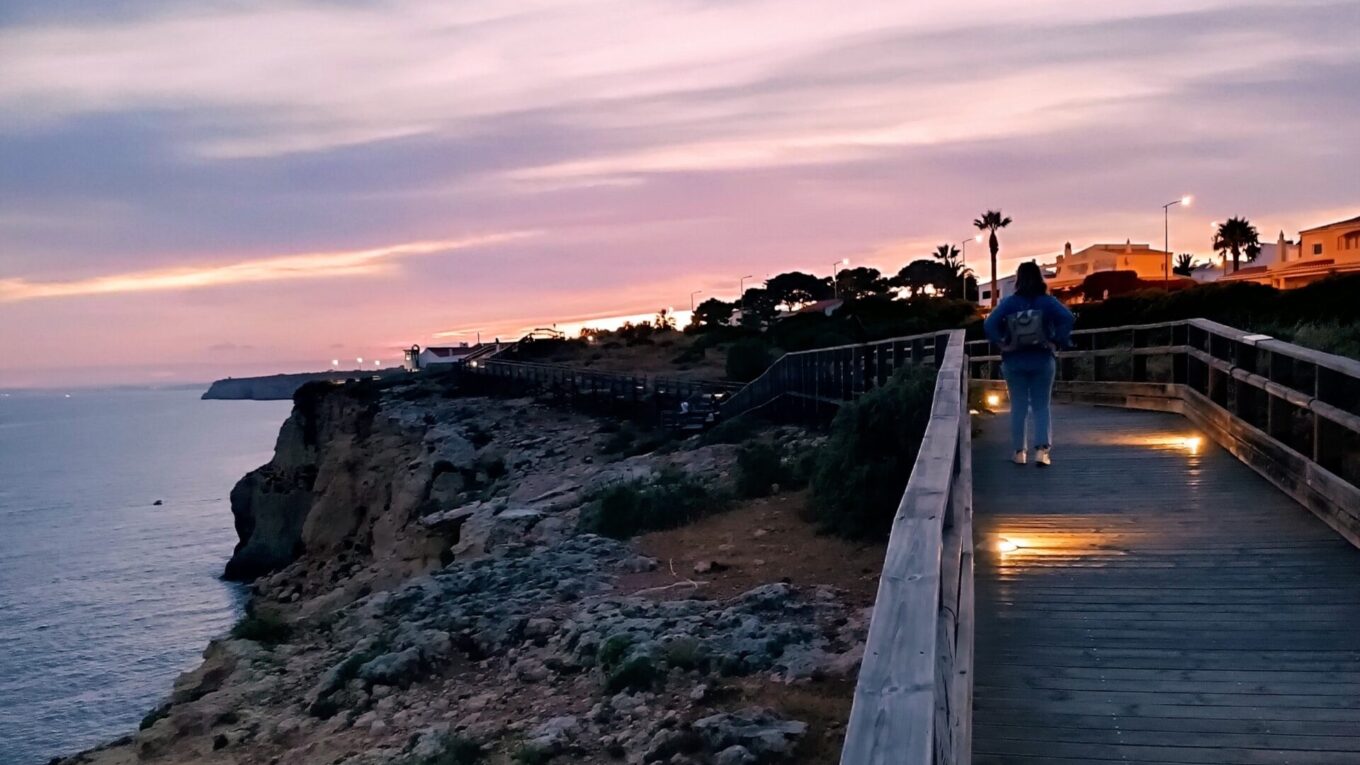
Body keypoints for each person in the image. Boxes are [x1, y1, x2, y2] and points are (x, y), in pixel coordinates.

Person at [983, 261, 1074, 467]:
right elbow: (1067, 318)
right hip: (1042, 358)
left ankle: (1019, 452)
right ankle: (1042, 451)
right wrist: (1056, 340)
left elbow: (989, 324)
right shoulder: (1047, 302)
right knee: (1042, 406)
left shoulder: (1009, 303)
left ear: (1018, 279)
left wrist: (1002, 344)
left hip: (1014, 360)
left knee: (1018, 406)